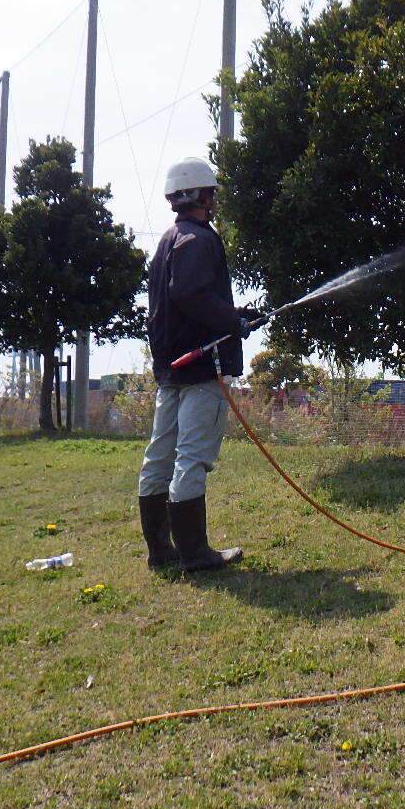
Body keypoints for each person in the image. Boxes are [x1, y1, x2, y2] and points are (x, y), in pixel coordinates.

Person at [138, 156, 256, 572]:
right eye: (211, 193)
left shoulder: (168, 240)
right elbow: (192, 295)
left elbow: (181, 300)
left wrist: (236, 312)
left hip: (171, 368)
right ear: (198, 195)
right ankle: (195, 555)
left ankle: (161, 551)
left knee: (160, 456)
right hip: (200, 368)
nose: (214, 200)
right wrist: (232, 320)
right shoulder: (200, 239)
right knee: (191, 457)